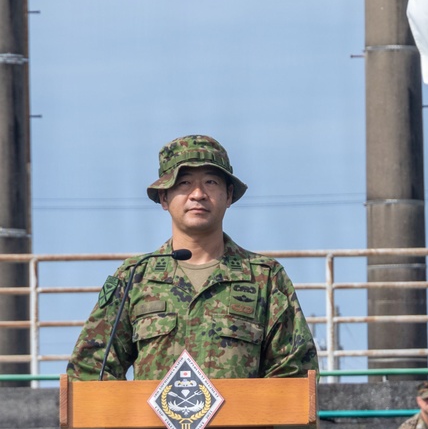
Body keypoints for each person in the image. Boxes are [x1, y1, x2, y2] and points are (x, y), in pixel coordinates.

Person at [67, 136, 317, 381]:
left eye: (210, 182)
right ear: (164, 198)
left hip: (241, 423)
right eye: (184, 183)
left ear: (228, 196)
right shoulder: (135, 277)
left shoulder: (265, 277)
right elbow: (91, 370)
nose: (198, 194)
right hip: (149, 424)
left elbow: (293, 372)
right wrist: (132, 419)